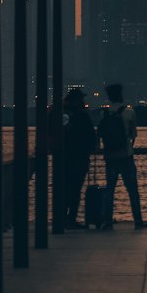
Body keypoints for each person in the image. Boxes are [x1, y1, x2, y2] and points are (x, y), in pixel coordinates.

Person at [98, 81, 147, 231]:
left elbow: (100, 134)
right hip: (126, 156)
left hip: (110, 157)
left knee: (109, 190)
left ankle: (108, 221)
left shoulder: (104, 113)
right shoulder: (129, 112)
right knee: (132, 190)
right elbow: (133, 135)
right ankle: (138, 221)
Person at [58, 88, 96, 228]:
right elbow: (91, 135)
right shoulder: (82, 116)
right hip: (79, 158)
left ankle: (62, 218)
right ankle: (71, 219)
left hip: (63, 158)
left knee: (64, 190)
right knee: (75, 191)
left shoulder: (61, 114)